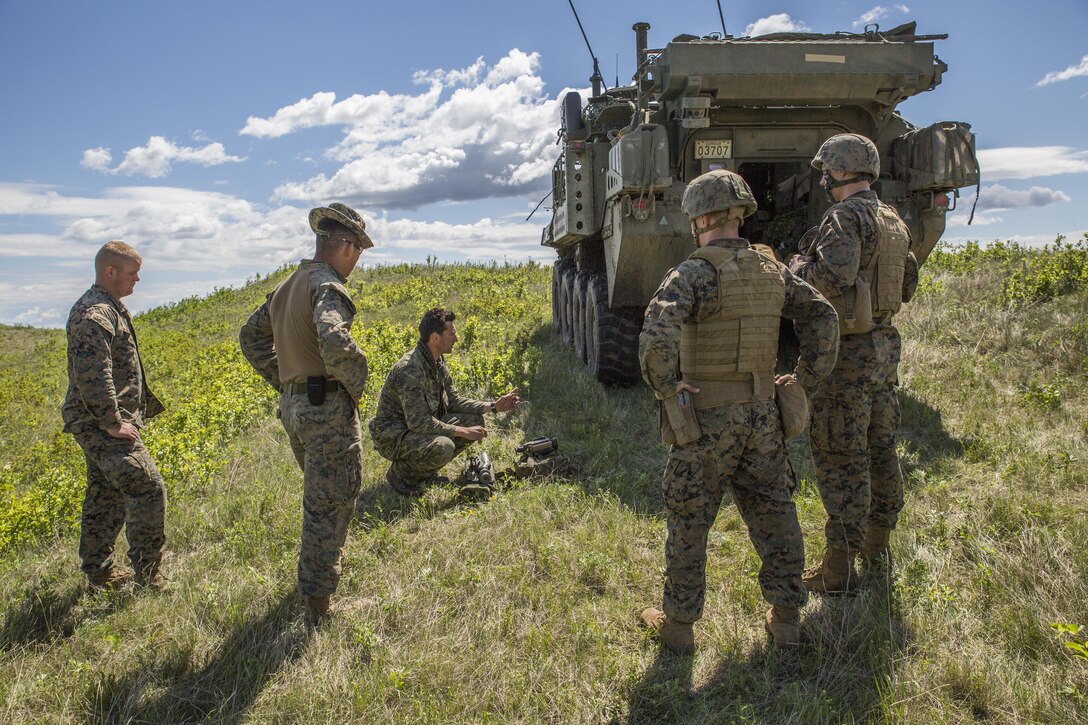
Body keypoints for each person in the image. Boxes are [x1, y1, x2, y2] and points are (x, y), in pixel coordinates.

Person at [638, 170, 840, 651]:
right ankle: (787, 618)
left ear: (702, 217)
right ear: (739, 215)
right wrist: (803, 380)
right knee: (775, 513)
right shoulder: (773, 270)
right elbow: (823, 317)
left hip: (707, 417)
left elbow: (656, 331)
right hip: (763, 417)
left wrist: (667, 385)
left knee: (689, 521)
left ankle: (680, 626)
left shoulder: (694, 273)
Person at [788, 133, 919, 594]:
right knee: (880, 446)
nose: (823, 178)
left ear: (838, 172)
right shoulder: (892, 220)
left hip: (847, 354)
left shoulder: (844, 218)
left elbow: (830, 279)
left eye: (826, 170)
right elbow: (907, 285)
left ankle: (838, 570)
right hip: (884, 348)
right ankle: (878, 545)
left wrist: (797, 269)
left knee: (841, 456)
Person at [239, 202, 372, 624]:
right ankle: (319, 606)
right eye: (359, 250)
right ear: (346, 246)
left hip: (296, 406)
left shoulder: (287, 284)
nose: (358, 259)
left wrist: (285, 380)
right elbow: (334, 339)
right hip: (325, 408)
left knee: (323, 497)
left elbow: (250, 337)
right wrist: (355, 381)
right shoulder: (327, 286)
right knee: (328, 504)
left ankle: (316, 583)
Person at [62, 241, 168, 591]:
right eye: (132, 272)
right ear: (110, 272)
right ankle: (149, 575)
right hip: (101, 424)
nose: (138, 279)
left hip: (102, 421)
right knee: (147, 487)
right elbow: (93, 374)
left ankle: (99, 572)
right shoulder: (95, 314)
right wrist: (112, 422)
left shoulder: (110, 307)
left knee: (105, 492)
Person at [369, 307, 520, 497]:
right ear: (435, 338)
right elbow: (419, 422)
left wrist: (493, 407)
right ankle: (402, 477)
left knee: (476, 421)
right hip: (395, 436)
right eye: (452, 334)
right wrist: (463, 432)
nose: (456, 339)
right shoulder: (410, 369)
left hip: (416, 428)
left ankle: (424, 473)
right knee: (444, 446)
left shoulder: (436, 360)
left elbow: (454, 400)